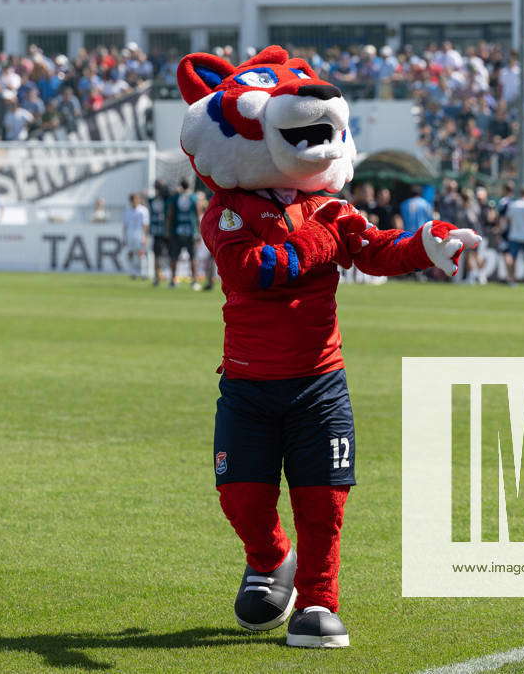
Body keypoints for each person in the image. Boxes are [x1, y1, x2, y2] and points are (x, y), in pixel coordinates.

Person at [177, 45, 480, 649]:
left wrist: (427, 244)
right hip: (247, 382)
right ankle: (269, 559)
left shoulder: (334, 209)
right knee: (240, 496)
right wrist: (323, 240)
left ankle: (318, 601)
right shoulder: (227, 212)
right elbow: (256, 270)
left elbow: (376, 250)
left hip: (319, 380)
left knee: (323, 500)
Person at [167, 179, 202, 289]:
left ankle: (173, 280)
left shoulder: (176, 197)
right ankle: (194, 282)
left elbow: (170, 214)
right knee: (193, 257)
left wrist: (169, 230)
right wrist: (200, 231)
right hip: (191, 231)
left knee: (174, 257)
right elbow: (198, 214)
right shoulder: (193, 197)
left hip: (177, 231)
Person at [147, 182, 170, 286]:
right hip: (165, 231)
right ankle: (167, 277)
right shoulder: (166, 200)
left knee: (158, 256)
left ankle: (157, 278)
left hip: (156, 231)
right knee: (168, 255)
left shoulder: (152, 200)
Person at [123, 192, 150, 279]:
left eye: (135, 199)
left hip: (139, 233)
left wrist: (144, 236)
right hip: (130, 233)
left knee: (141, 253)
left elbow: (145, 224)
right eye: (132, 200)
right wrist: (124, 236)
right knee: (131, 253)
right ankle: (133, 272)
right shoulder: (127, 211)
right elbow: (125, 225)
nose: (134, 201)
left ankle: (144, 272)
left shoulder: (143, 210)